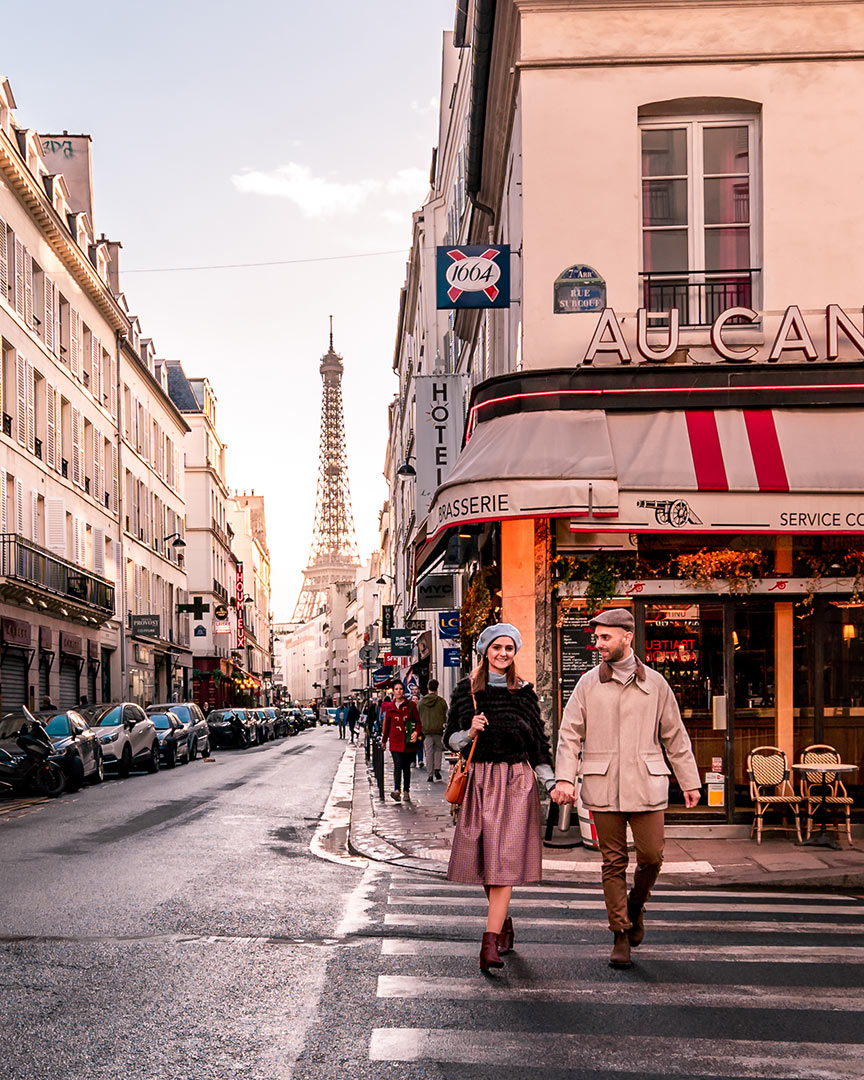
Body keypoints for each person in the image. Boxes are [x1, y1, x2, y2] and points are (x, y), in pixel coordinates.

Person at [552, 608, 701, 970]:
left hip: (647, 784)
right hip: (603, 787)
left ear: (627, 637)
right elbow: (569, 735)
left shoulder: (656, 684)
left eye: (605, 637)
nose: (598, 644)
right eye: (597, 637)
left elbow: (675, 735)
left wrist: (690, 780)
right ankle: (621, 932)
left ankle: (635, 904)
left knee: (652, 857)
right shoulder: (588, 684)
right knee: (612, 862)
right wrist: (564, 779)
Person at [445, 623, 555, 973]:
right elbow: (450, 738)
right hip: (478, 781)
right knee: (485, 861)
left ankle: (488, 943)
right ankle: (502, 921)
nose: (503, 653)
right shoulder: (466, 691)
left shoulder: (523, 693)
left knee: (503, 861)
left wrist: (551, 782)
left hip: (515, 782)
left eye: (509, 648)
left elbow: (538, 743)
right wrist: (470, 731)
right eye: (497, 647)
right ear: (485, 651)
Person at [380, 681, 422, 802]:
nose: (399, 691)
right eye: (396, 689)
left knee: (406, 767)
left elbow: (418, 722)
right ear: (393, 691)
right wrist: (384, 741)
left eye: (401, 689)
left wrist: (416, 732)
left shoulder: (410, 705)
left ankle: (406, 790)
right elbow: (386, 725)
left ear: (404, 691)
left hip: (408, 741)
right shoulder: (390, 707)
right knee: (397, 765)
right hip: (395, 741)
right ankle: (397, 790)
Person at [418, 679, 447, 782]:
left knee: (428, 752)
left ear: (428, 687)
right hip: (438, 730)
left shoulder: (421, 702)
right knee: (438, 750)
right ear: (437, 688)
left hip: (426, 731)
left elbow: (418, 716)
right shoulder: (441, 701)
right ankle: (437, 769)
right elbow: (445, 715)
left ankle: (430, 774)